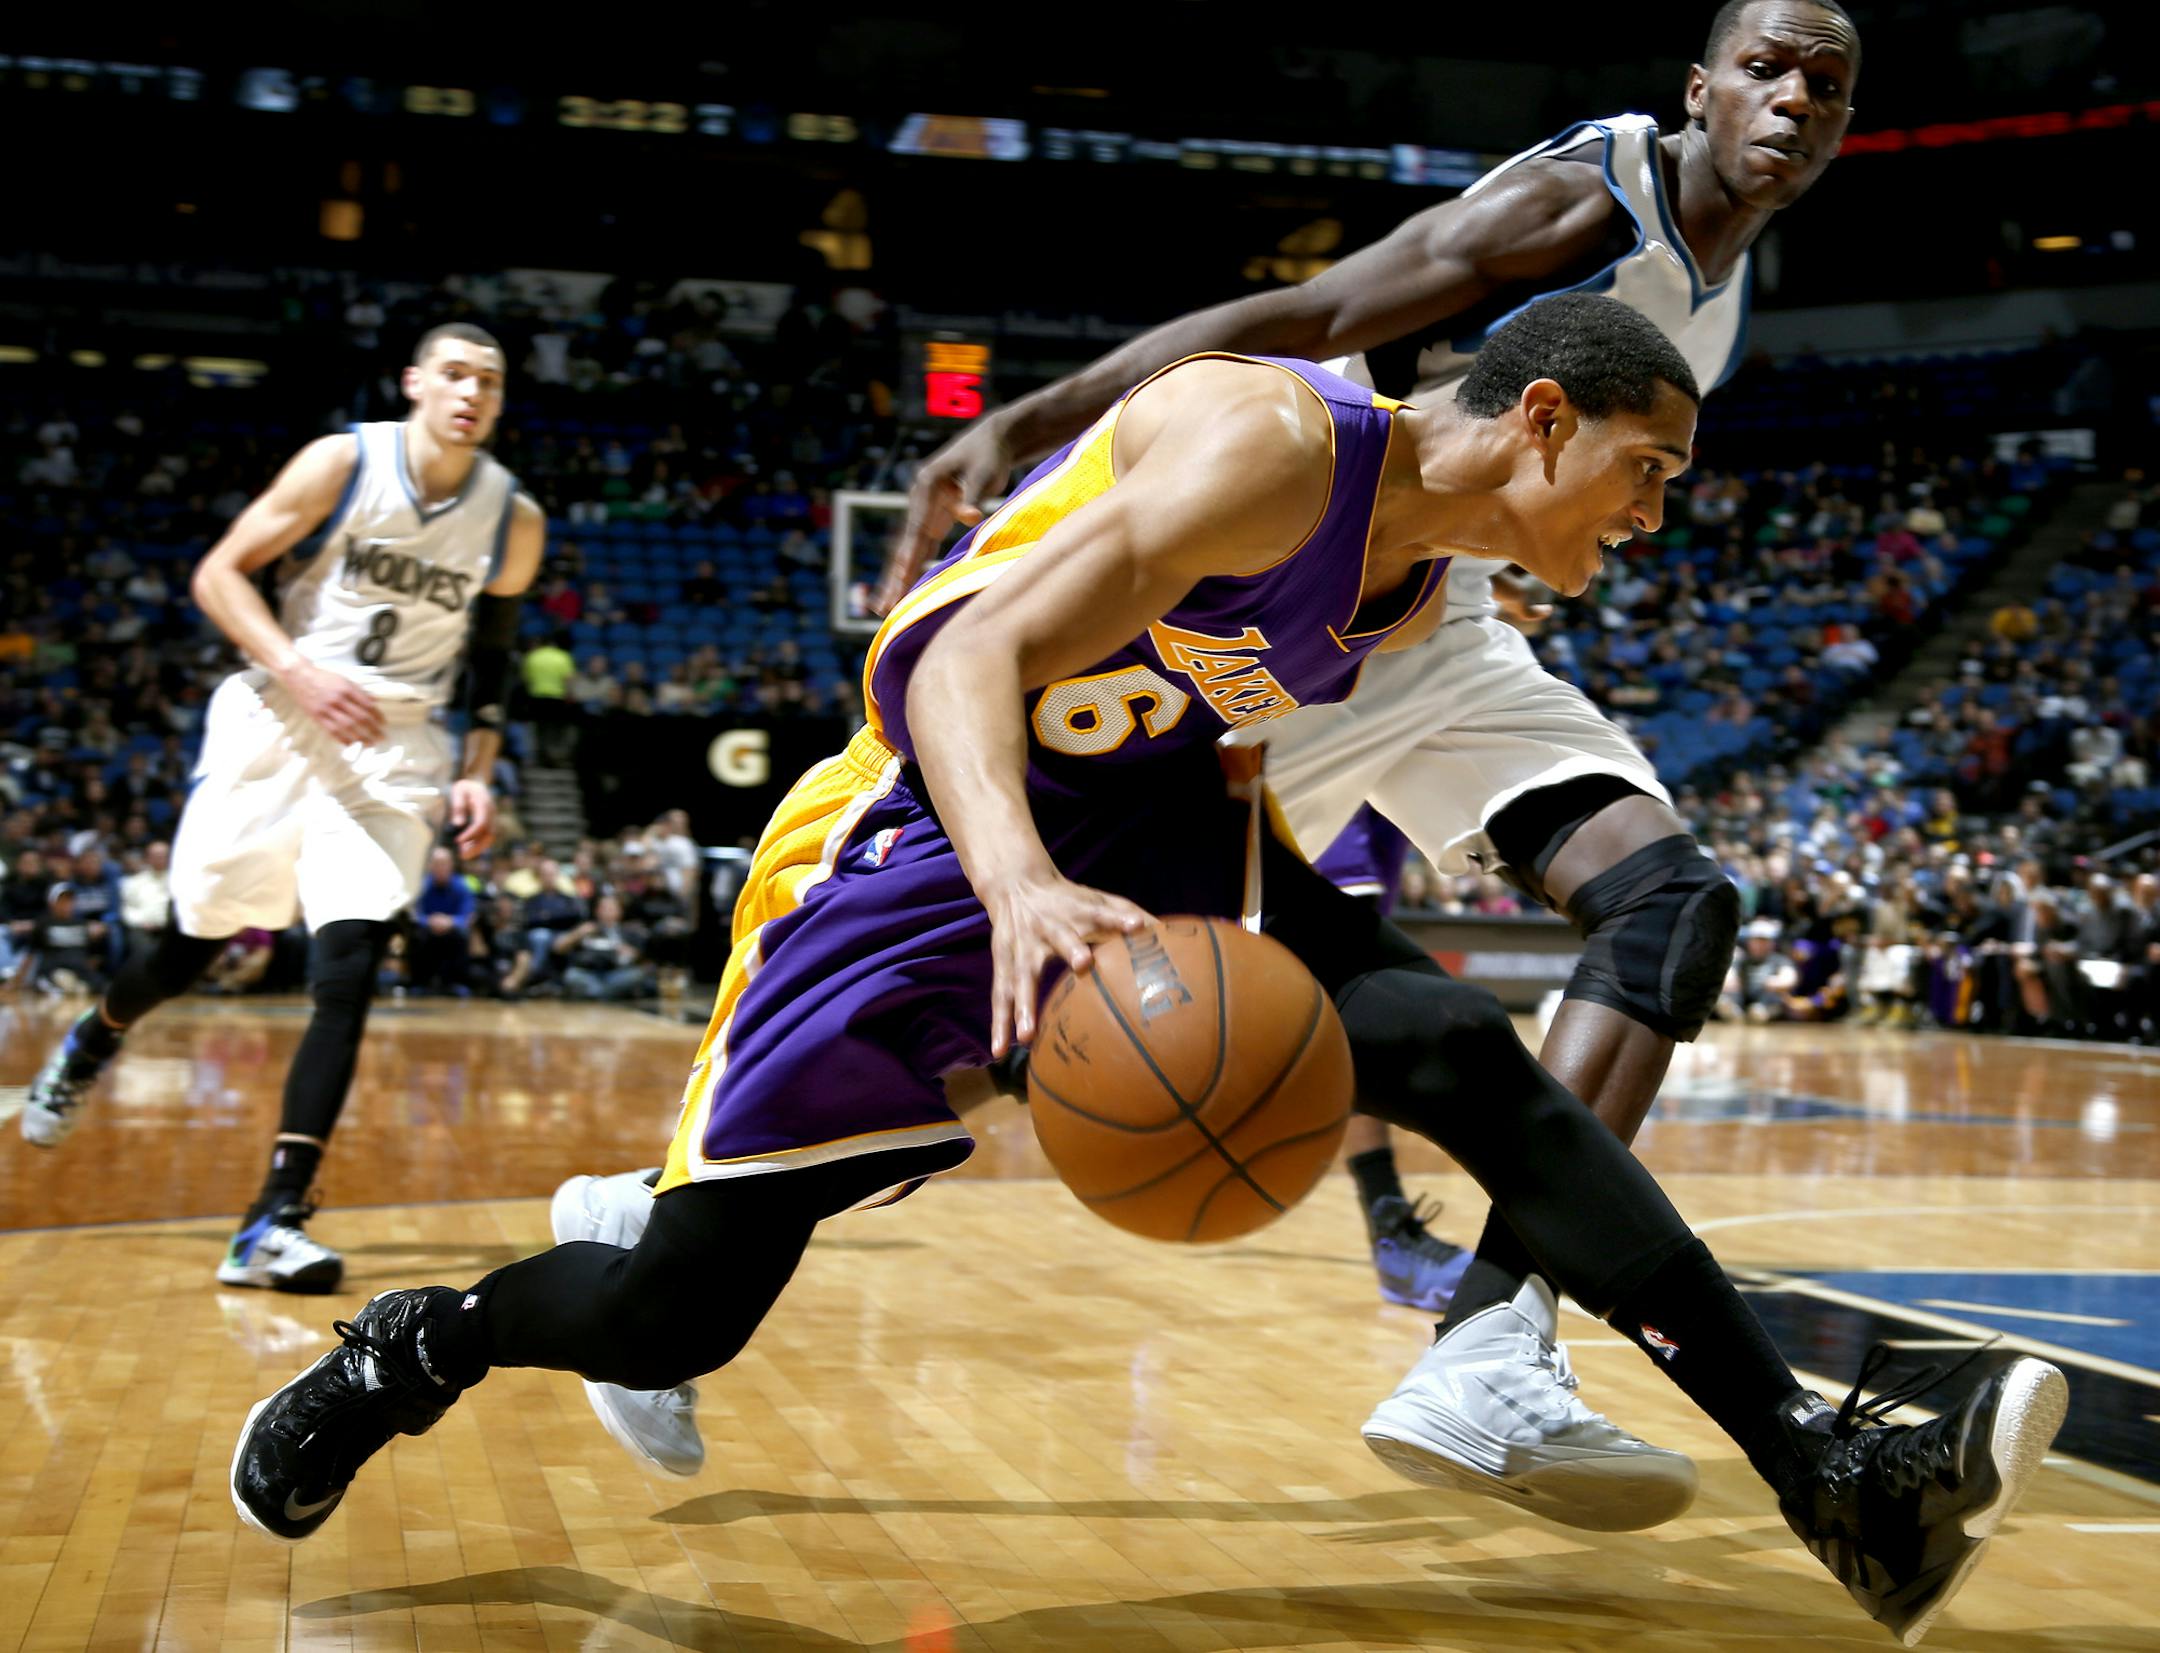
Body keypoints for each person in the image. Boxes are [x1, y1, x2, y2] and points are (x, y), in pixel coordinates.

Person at [234, 303, 2064, 1645]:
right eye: (1647, 467)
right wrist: (1024, 883)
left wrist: (1239, 906)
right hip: (923, 845)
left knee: (1451, 1046)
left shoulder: (1415, 585)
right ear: (1542, 419)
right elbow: (958, 651)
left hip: (1146, 823)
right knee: (679, 1313)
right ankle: (424, 1342)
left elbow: (1205, 711)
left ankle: (1825, 1469)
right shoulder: (1270, 443)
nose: (1654, 513)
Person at [873, 0, 1859, 1501]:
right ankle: (688, 1208)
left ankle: (1489, 1351)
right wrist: (1035, 417)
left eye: (1827, 85)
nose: (1794, 100)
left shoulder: (1729, 272)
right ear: (1700, 87)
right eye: (1767, 69)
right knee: (1052, 1026)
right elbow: (1304, 318)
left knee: (1672, 903)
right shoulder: (1582, 201)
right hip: (1337, 578)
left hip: (1448, 616)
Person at [19, 323, 546, 1295]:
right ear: (417, 384)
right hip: (281, 715)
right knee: (195, 941)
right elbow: (220, 573)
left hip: (396, 748)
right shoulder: (345, 460)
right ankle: (92, 1039)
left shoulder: (513, 518)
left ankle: (274, 1219)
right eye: (457, 375)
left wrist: (477, 762)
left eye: (492, 382)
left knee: (346, 972)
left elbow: (497, 656)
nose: (473, 393)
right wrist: (299, 670)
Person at [408, 846, 476, 995]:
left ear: (451, 865)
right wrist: (429, 921)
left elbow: (468, 915)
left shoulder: (462, 886)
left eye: (444, 863)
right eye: (436, 863)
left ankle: (456, 983)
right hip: (427, 930)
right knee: (416, 935)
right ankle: (419, 982)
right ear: (430, 865)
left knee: (461, 936)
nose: (440, 867)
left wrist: (449, 922)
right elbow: (413, 914)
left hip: (452, 930)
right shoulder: (421, 886)